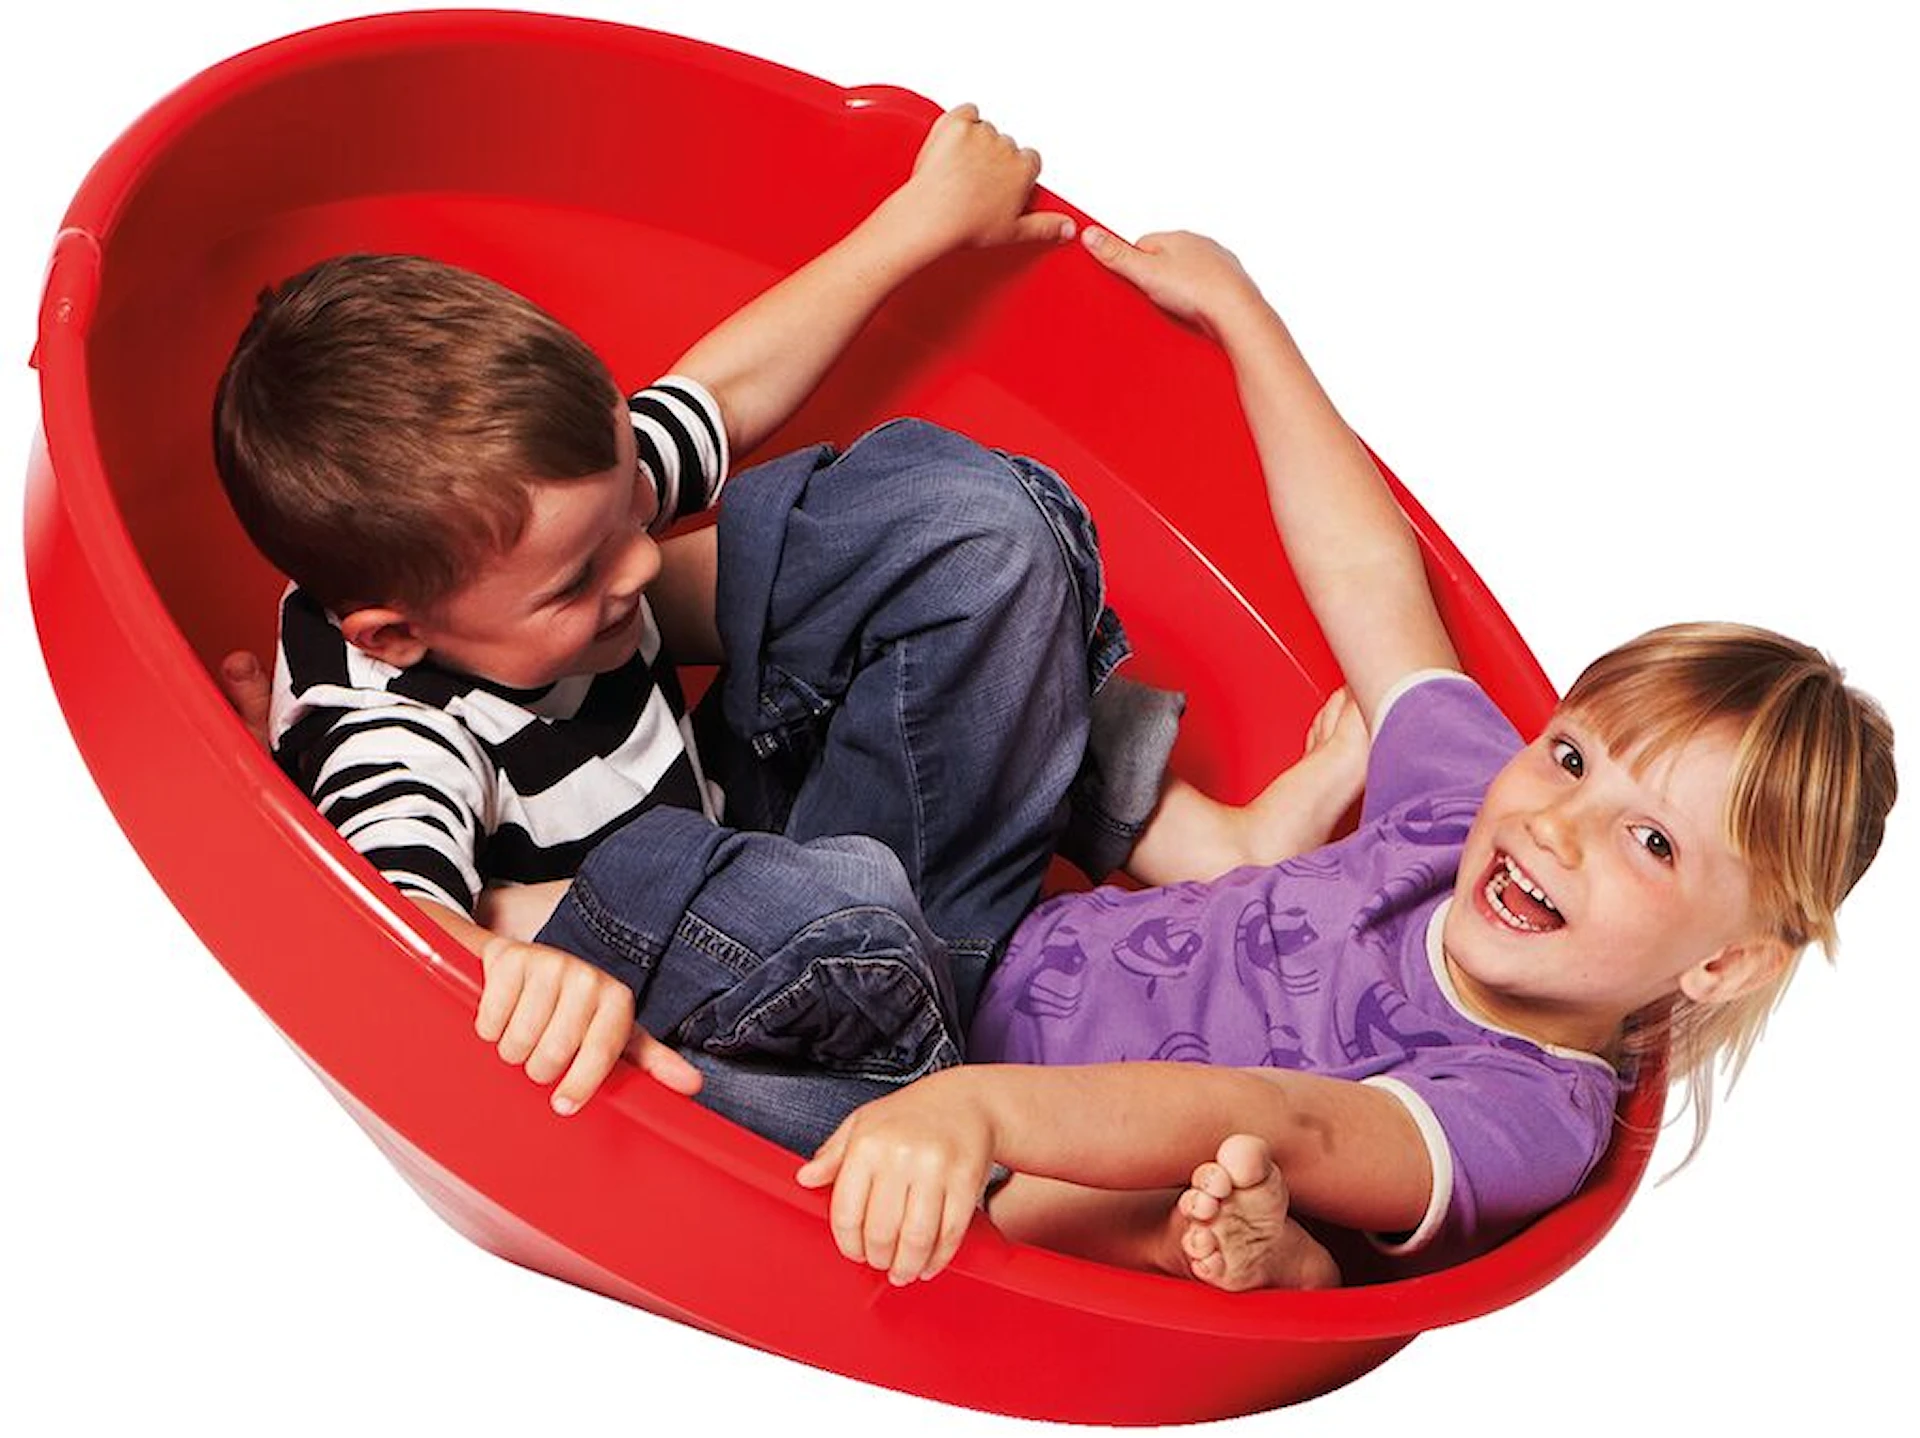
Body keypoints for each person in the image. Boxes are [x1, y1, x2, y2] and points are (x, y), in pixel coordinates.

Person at [794, 226, 1898, 1292]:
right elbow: (1368, 574)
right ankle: (706, 646)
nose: (1558, 825)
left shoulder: (1524, 1114)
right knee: (984, 544)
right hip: (977, 924)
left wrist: (981, 1109)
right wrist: (1241, 313)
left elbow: (1283, 1119)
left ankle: (1231, 1257)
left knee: (1170, 1179)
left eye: (1651, 841)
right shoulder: (1471, 810)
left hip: (958, 1134)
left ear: (1725, 963)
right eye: (1571, 757)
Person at [211, 107, 1313, 1156]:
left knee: (969, 528)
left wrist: (922, 220)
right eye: (580, 578)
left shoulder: (542, 506)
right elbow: (388, 918)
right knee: (806, 905)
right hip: (716, 1006)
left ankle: (956, 1005)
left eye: (632, 509)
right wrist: (508, 959)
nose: (643, 562)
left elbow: (722, 396)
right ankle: (965, 1127)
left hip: (820, 885)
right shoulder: (389, 726)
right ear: (395, 636)